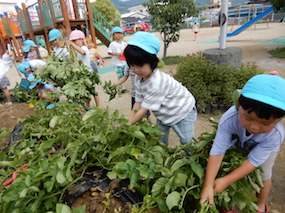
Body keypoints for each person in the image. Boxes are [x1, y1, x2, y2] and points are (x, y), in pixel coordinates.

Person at [199, 74, 285, 213]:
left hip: (265, 147)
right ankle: (229, 203)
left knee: (264, 176)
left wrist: (226, 181)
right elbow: (218, 151)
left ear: (279, 119)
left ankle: (260, 205)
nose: (255, 127)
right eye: (248, 118)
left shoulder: (275, 134)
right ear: (238, 105)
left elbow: (253, 161)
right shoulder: (229, 119)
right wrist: (208, 185)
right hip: (240, 139)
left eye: (266, 123)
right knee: (228, 166)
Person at [124, 31, 197, 146]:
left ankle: (192, 159)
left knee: (187, 142)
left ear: (153, 62)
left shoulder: (156, 82)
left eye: (140, 65)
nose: (136, 69)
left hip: (182, 111)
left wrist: (126, 128)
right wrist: (128, 123)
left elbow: (143, 110)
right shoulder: (139, 78)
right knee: (159, 141)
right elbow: (138, 102)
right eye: (132, 65)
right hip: (164, 113)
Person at [65, 30, 100, 108]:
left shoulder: (84, 48)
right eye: (72, 41)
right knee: (85, 92)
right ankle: (87, 106)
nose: (74, 42)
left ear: (81, 39)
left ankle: (98, 107)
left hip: (88, 73)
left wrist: (72, 44)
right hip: (81, 74)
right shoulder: (76, 49)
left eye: (75, 40)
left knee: (93, 92)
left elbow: (82, 52)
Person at [113, 53, 151, 121]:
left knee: (145, 113)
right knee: (134, 111)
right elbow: (124, 77)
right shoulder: (128, 68)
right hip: (134, 94)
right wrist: (114, 84)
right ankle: (136, 125)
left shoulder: (141, 69)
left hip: (143, 95)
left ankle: (150, 126)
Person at [108, 26, 127, 92]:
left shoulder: (124, 43)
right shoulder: (112, 44)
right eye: (116, 34)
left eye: (120, 33)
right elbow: (109, 52)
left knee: (124, 74)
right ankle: (122, 86)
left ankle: (119, 84)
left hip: (124, 63)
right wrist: (117, 54)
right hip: (116, 63)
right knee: (120, 75)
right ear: (113, 36)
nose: (118, 35)